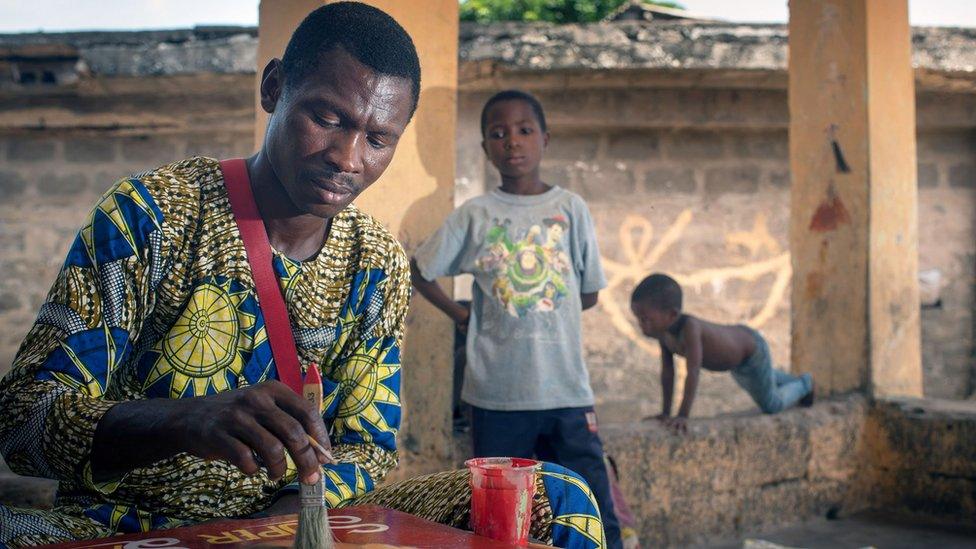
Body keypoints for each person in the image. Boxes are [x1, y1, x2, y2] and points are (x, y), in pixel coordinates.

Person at [0, 5, 607, 549]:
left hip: (305, 521)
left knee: (558, 496)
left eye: (377, 138)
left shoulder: (376, 262)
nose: (347, 158)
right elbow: (23, 420)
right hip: (131, 524)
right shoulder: (151, 216)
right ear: (274, 88)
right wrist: (183, 421)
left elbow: (368, 445)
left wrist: (290, 527)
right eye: (326, 117)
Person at [411, 89, 622, 549]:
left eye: (524, 130)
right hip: (496, 398)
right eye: (498, 134)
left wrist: (546, 311)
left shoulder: (570, 210)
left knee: (589, 508)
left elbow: (586, 294)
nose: (512, 142)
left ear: (545, 139)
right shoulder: (477, 215)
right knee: (498, 522)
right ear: (486, 149)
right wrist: (460, 314)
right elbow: (421, 269)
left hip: (565, 390)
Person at [630, 273, 814, 433]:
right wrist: (665, 413)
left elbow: (692, 373)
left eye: (645, 319)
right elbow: (668, 374)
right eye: (638, 319)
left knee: (771, 404)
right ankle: (792, 381)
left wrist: (683, 416)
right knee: (758, 377)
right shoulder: (664, 335)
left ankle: (805, 384)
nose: (641, 326)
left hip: (751, 351)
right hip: (738, 362)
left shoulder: (690, 328)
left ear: (671, 314)